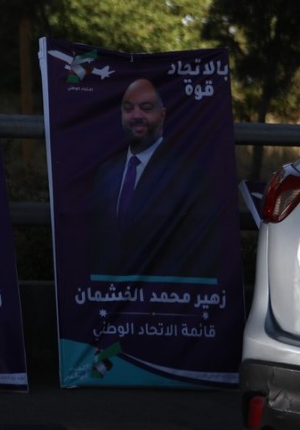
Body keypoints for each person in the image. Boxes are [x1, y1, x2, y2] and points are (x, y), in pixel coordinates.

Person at [89, 78, 216, 279]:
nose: (136, 115)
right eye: (128, 109)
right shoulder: (105, 173)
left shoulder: (188, 174)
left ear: (162, 115)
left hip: (164, 290)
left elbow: (199, 249)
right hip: (107, 290)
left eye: (146, 108)